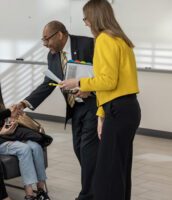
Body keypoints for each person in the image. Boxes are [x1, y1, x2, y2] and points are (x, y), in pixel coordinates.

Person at [59, 1, 141, 200]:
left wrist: (78, 81)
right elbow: (117, 84)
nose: (85, 23)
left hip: (118, 110)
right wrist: (101, 114)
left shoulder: (104, 39)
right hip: (126, 108)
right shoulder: (121, 39)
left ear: (94, 17)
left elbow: (108, 81)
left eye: (86, 18)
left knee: (106, 174)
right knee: (118, 170)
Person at [17, 21, 99, 200]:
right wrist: (24, 103)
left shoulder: (87, 44)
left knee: (88, 151)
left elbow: (105, 73)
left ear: (60, 35)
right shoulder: (52, 56)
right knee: (80, 150)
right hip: (75, 108)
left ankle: (87, 195)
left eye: (47, 39)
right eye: (43, 40)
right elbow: (48, 84)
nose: (45, 44)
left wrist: (90, 89)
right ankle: (96, 189)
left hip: (93, 106)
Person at [0, 66, 51, 200]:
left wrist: (12, 120)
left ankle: (41, 191)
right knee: (24, 149)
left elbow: (0, 122)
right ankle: (29, 195)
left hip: (5, 136)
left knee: (36, 146)